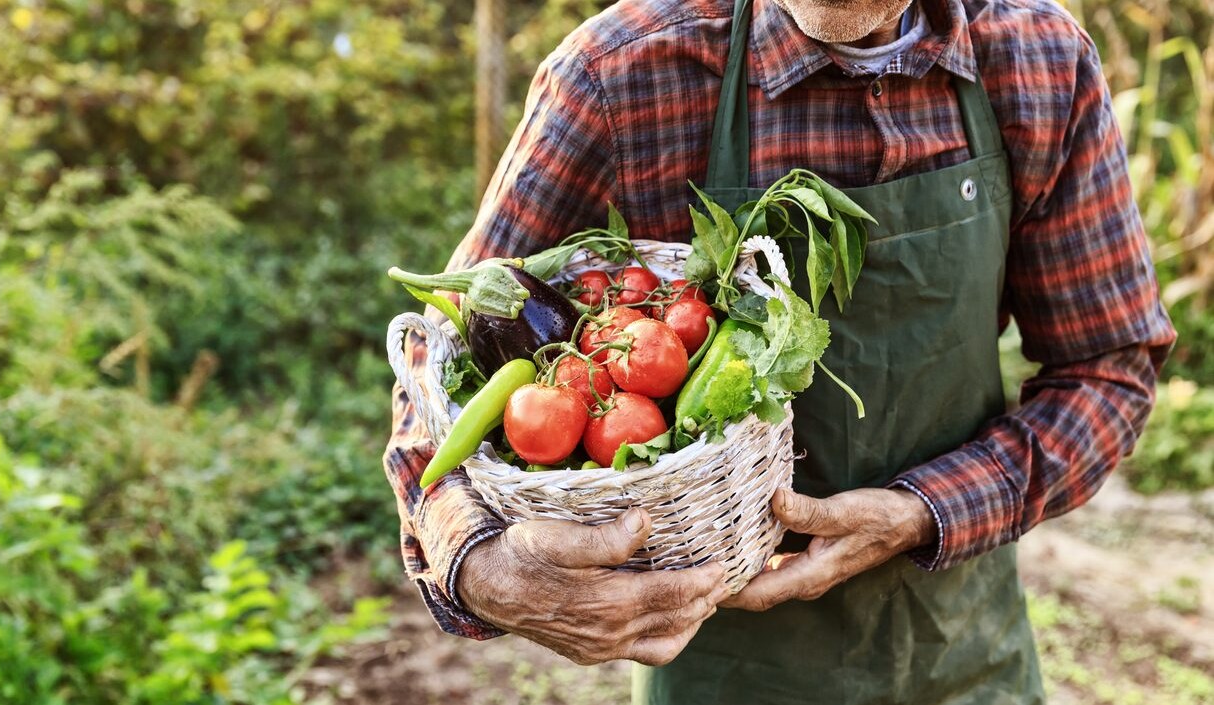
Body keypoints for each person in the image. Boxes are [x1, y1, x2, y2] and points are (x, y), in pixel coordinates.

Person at [383, 0, 1176, 702]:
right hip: (724, 666)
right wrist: (482, 569)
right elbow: (440, 376)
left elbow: (1107, 368)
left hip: (963, 652)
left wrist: (925, 510)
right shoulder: (621, 74)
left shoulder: (1040, 61)